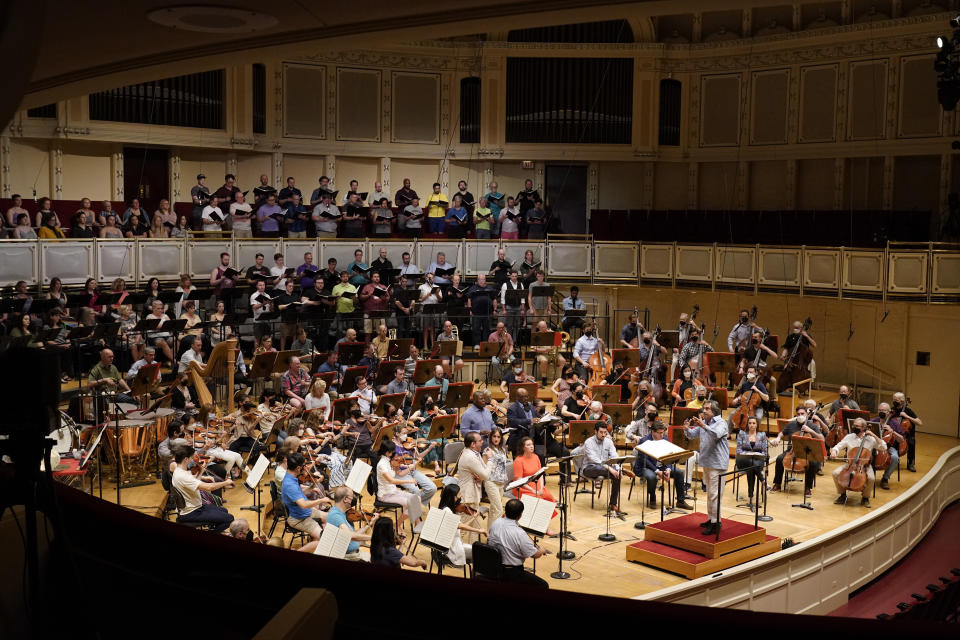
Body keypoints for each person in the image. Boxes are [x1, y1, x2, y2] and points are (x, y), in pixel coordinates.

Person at [683, 401, 728, 534]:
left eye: (707, 409)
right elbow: (692, 435)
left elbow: (716, 435)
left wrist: (703, 425)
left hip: (718, 464)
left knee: (715, 495)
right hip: (708, 462)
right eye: (703, 408)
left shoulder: (721, 423)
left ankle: (716, 523)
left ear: (714, 411)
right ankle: (711, 519)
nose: (704, 410)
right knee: (710, 494)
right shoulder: (705, 423)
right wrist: (686, 429)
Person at [170, 444, 234, 532]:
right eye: (191, 458)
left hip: (195, 506)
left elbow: (194, 484)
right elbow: (208, 488)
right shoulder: (183, 476)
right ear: (186, 459)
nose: (193, 460)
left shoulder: (180, 471)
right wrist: (225, 482)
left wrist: (201, 472)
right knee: (229, 518)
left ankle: (214, 528)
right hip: (192, 512)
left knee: (224, 511)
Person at [488, 498, 549, 587]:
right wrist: (542, 550)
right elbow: (535, 555)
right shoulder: (520, 533)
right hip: (510, 574)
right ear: (520, 516)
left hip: (493, 568)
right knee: (543, 585)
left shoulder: (495, 523)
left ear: (505, 511)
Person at [634, 421, 692, 509]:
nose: (662, 435)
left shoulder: (665, 439)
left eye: (663, 432)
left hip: (662, 465)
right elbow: (644, 460)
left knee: (679, 472)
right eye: (659, 433)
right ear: (653, 432)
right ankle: (652, 497)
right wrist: (657, 471)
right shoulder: (644, 441)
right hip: (645, 466)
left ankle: (680, 500)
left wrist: (668, 469)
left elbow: (668, 455)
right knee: (651, 476)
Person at [769, 406, 823, 496]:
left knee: (813, 463)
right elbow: (782, 432)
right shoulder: (791, 424)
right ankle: (777, 484)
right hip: (791, 451)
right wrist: (778, 438)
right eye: (798, 414)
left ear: (806, 414)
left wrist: (810, 431)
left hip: (807, 453)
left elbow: (822, 438)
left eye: (802, 414)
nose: (800, 415)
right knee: (779, 459)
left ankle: (807, 488)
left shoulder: (812, 426)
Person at [830, 418, 881, 508]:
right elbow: (839, 446)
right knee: (835, 473)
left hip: (864, 465)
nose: (854, 427)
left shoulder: (871, 439)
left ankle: (865, 498)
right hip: (850, 464)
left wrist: (874, 435)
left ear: (864, 427)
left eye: (857, 426)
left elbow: (883, 447)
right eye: (854, 425)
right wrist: (834, 451)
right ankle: (842, 495)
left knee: (872, 478)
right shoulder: (849, 437)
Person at [280, 452, 330, 540]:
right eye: (304, 466)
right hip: (298, 519)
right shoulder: (290, 484)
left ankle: (313, 537)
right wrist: (321, 500)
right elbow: (303, 504)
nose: (306, 468)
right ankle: (314, 539)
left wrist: (314, 484)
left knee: (332, 519)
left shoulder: (291, 476)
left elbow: (300, 494)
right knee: (323, 539)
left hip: (306, 512)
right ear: (298, 468)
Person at [455, 432, 494, 538]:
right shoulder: (470, 456)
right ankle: (459, 554)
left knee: (474, 531)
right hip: (467, 498)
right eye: (480, 441)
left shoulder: (474, 453)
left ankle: (472, 552)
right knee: (463, 531)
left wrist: (481, 476)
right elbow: (486, 474)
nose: (482, 442)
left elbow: (482, 472)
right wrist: (490, 459)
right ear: (473, 444)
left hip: (473, 495)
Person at [325, 486, 376, 561]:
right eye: (352, 498)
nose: (353, 500)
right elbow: (351, 536)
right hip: (348, 556)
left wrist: (369, 524)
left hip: (354, 554)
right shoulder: (335, 515)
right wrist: (374, 538)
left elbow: (353, 534)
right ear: (345, 499)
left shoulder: (344, 513)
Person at [734, 416, 768, 505]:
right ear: (747, 424)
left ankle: (750, 497)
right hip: (743, 460)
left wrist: (756, 454)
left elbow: (764, 452)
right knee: (751, 463)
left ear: (757, 425)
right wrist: (748, 454)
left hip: (757, 461)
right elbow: (738, 450)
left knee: (751, 467)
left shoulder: (762, 435)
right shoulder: (742, 434)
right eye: (750, 423)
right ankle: (763, 480)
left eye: (754, 423)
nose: (751, 425)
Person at [872, 402, 905, 490]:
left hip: (889, 447)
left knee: (894, 457)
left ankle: (885, 478)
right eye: (880, 410)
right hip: (874, 446)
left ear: (889, 412)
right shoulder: (873, 421)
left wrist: (892, 432)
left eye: (884, 410)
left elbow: (901, 440)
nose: (881, 412)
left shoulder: (894, 423)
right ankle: (867, 475)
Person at [891, 391, 920, 472]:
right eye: (893, 400)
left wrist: (906, 416)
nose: (894, 402)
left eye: (896, 400)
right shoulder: (892, 410)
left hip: (907, 435)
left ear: (902, 401)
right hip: (895, 433)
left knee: (911, 441)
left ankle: (911, 463)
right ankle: (891, 460)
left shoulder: (908, 411)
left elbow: (919, 423)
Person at [466, 274, 494, 347]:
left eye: (483, 279)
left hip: (487, 312)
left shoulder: (490, 288)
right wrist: (470, 310)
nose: (482, 281)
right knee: (476, 329)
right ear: (477, 280)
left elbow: (494, 299)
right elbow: (469, 299)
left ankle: (485, 343)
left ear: (485, 280)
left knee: (487, 329)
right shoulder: (473, 288)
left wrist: (495, 310)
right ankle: (477, 344)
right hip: (476, 313)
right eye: (480, 279)